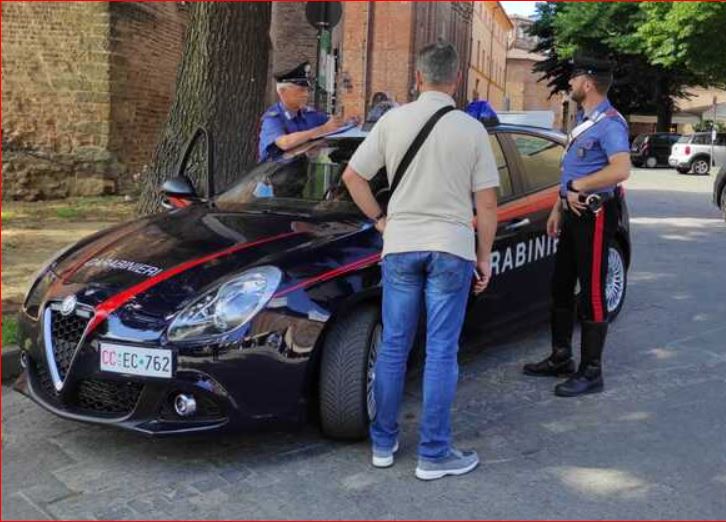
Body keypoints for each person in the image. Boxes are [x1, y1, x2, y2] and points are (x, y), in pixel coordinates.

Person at [342, 40, 499, 480]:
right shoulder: (471, 131)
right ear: (458, 79)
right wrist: (484, 257)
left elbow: (353, 177)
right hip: (451, 246)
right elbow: (486, 206)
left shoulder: (393, 120)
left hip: (402, 243)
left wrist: (379, 219)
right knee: (441, 351)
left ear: (417, 77)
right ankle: (433, 454)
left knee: (394, 346)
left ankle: (383, 443)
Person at [522, 55, 630, 398]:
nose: (569, 83)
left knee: (592, 290)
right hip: (571, 213)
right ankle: (561, 356)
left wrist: (580, 188)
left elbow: (621, 169)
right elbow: (570, 173)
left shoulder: (610, 123)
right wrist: (558, 206)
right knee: (561, 284)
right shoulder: (585, 120)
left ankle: (591, 372)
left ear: (588, 83)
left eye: (574, 78)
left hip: (595, 216)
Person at [258, 61, 347, 163]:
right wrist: (321, 130)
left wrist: (346, 121)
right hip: (276, 176)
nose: (306, 95)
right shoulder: (273, 119)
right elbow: (284, 143)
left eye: (307, 90)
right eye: (301, 90)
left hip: (303, 175)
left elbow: (336, 123)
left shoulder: (310, 115)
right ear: (282, 92)